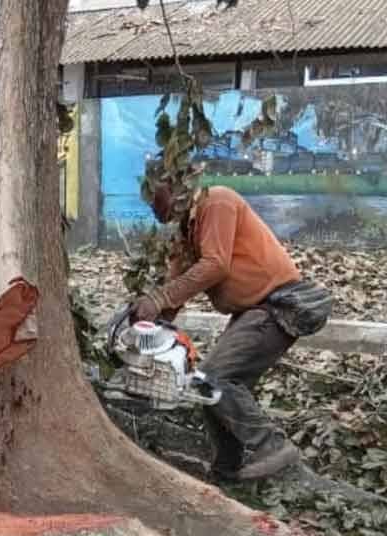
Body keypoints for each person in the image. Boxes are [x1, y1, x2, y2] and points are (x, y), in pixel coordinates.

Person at [132, 182, 332, 480]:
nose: (152, 204)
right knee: (207, 387)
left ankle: (272, 447)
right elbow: (176, 289)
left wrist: (159, 298)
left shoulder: (216, 201)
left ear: (175, 187)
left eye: (155, 194)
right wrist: (148, 327)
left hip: (276, 304)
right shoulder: (185, 233)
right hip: (249, 312)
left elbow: (215, 265)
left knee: (216, 378)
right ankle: (228, 467)